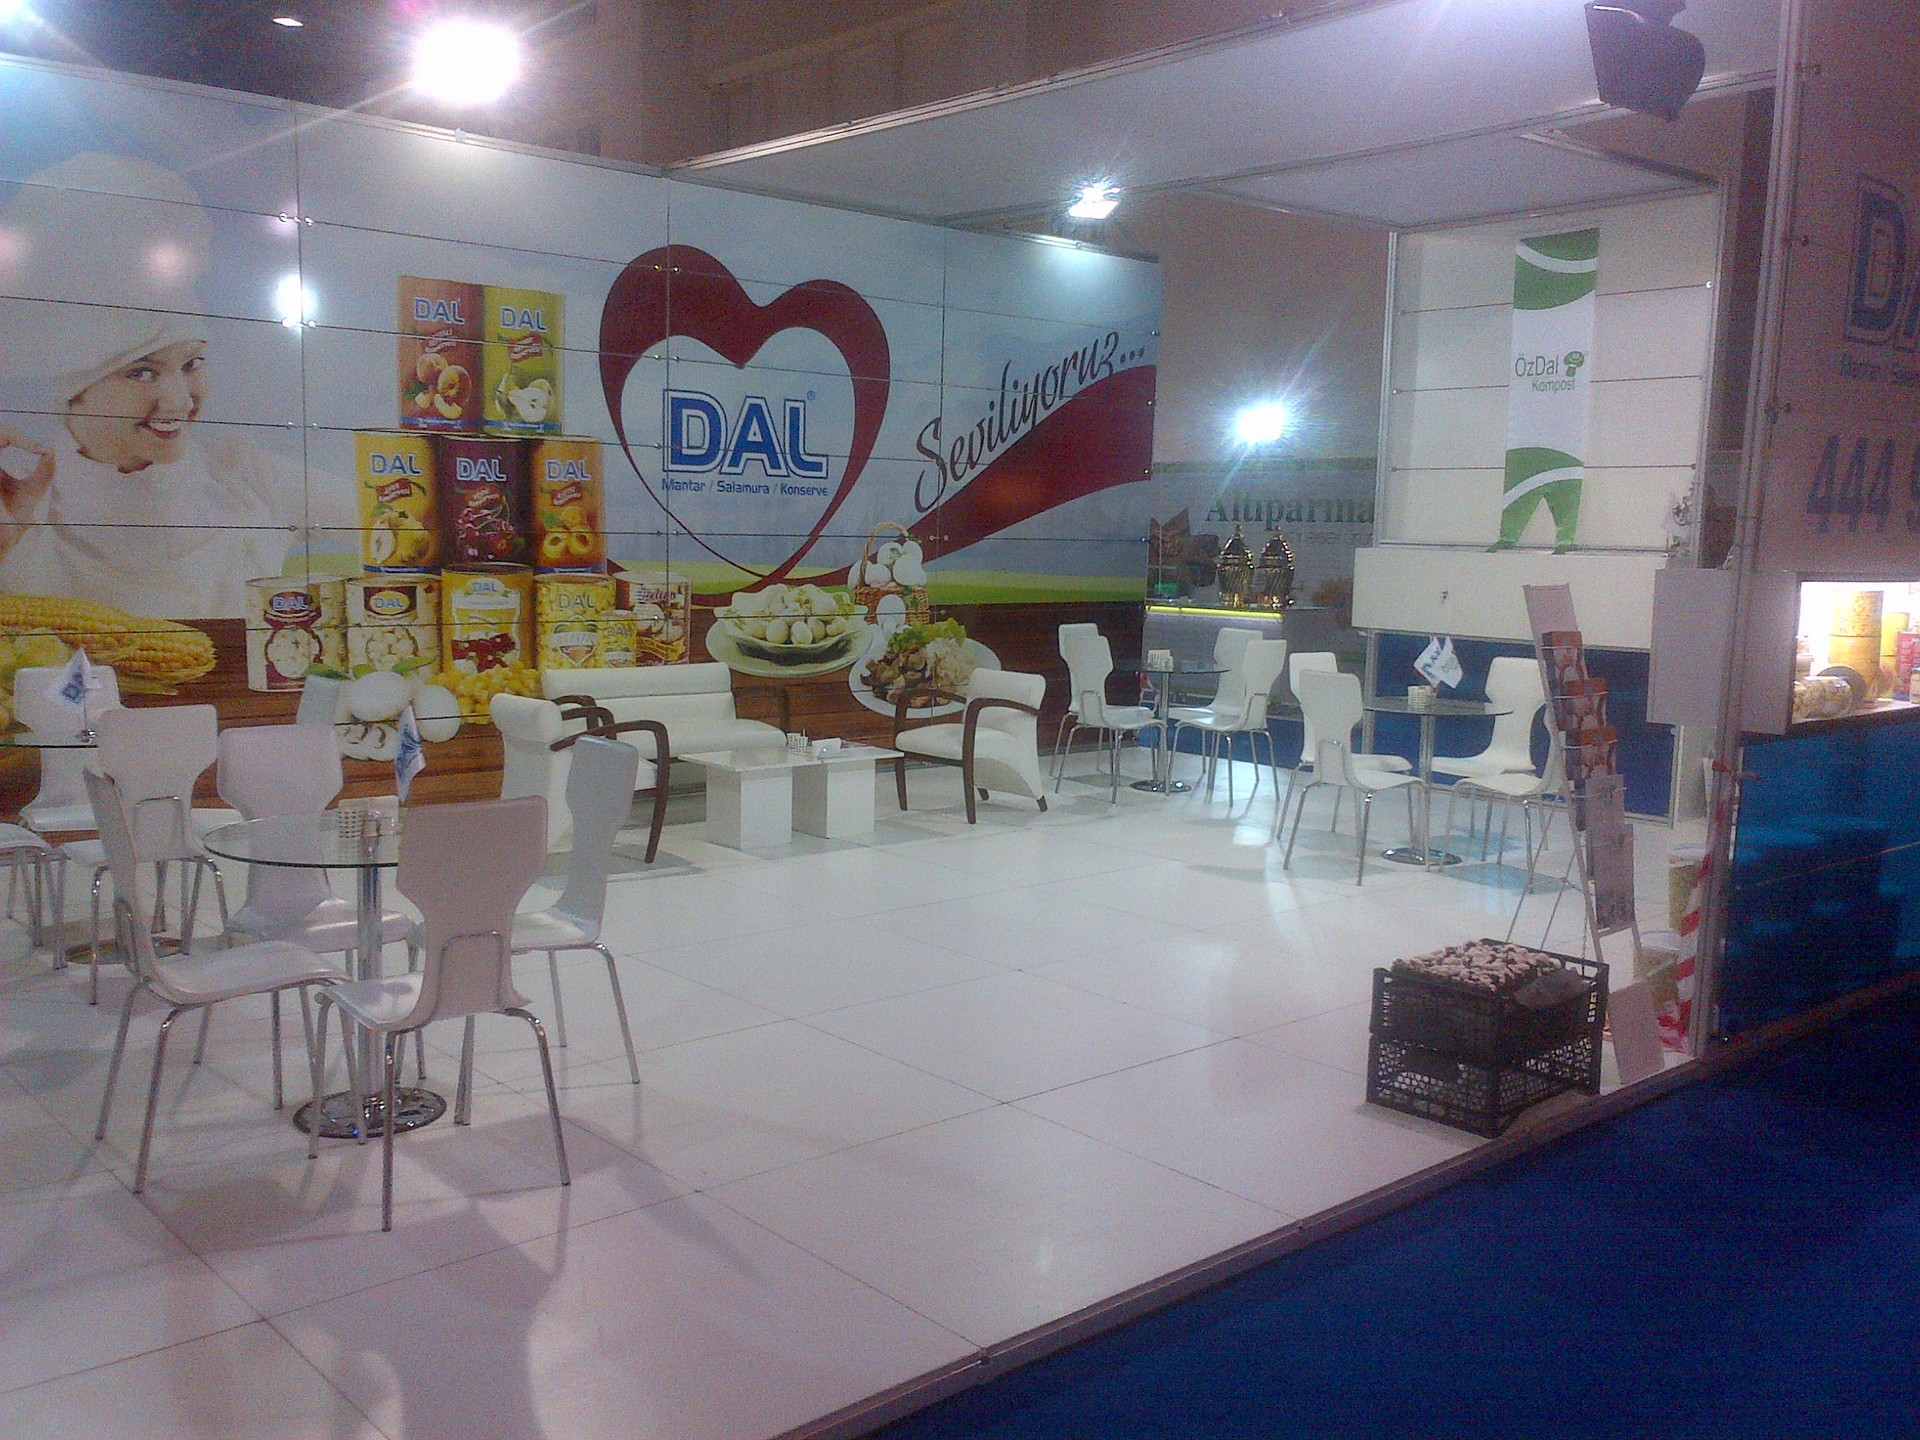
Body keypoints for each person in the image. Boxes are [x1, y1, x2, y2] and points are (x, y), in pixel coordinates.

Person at [0, 153, 298, 620]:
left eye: (191, 364)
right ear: (75, 390)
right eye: (141, 372)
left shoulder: (247, 476)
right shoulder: (19, 505)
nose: (179, 401)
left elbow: (392, 516)